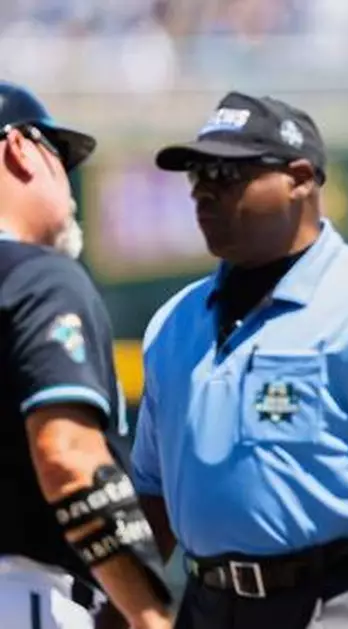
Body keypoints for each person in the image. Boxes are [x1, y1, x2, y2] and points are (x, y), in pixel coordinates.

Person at [131, 91, 348, 629]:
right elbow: (151, 493)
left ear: (299, 178)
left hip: (334, 601)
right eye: (197, 175)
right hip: (205, 602)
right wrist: (122, 607)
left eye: (226, 174)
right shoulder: (174, 321)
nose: (203, 192)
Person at [0, 83, 173, 629]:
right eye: (58, 155)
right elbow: (67, 457)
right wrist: (148, 614)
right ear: (19, 148)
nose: (69, 181)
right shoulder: (36, 277)